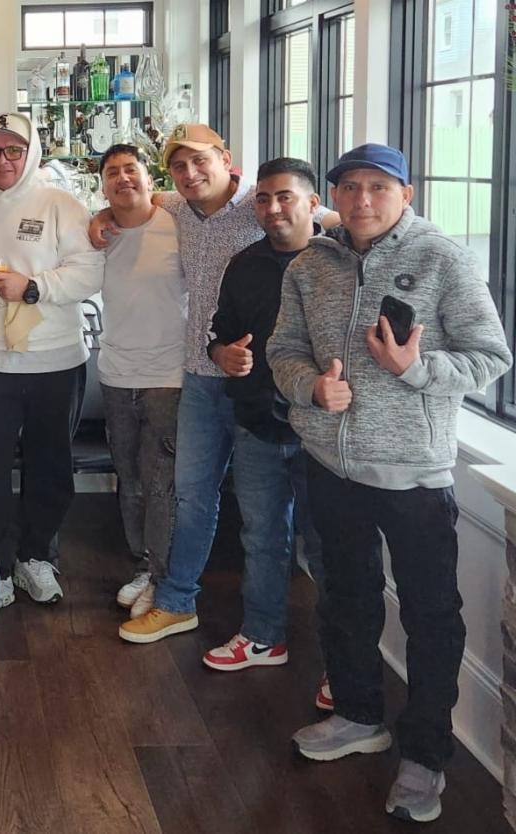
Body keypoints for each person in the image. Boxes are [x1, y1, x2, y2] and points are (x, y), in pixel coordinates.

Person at [268, 144, 511, 823]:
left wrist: (415, 369)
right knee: (344, 600)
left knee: (431, 616)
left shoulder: (443, 258)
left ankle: (426, 756)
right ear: (334, 196)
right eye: (350, 187)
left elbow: (490, 355)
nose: (363, 200)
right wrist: (311, 389)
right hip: (329, 464)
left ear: (406, 193)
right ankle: (357, 715)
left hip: (414, 475)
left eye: (379, 187)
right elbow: (282, 350)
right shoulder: (311, 264)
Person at [108, 125, 333, 643]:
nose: (190, 174)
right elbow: (137, 200)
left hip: (263, 385)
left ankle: (289, 632)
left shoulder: (262, 203)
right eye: (179, 166)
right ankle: (177, 601)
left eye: (199, 161)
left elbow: (325, 218)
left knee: (269, 517)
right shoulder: (175, 209)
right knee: (191, 496)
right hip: (198, 375)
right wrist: (104, 215)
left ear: (225, 159)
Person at [0, 112, 105, 607]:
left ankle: (36, 557)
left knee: (50, 467)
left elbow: (90, 272)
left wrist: (34, 287)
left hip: (55, 362)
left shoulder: (61, 203)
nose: (2, 160)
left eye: (13, 150)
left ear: (32, 153)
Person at [192, 157, 325, 676]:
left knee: (327, 546)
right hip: (257, 423)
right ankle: (264, 635)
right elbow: (220, 331)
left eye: (285, 197)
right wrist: (221, 354)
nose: (272, 208)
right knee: (262, 536)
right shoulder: (244, 264)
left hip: (321, 430)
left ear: (313, 203)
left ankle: (341, 662)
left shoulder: (338, 262)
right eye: (264, 199)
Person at [93, 145, 185, 619]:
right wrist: (96, 220)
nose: (123, 178)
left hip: (167, 377)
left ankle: (162, 577)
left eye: (131, 169)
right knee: (128, 480)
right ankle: (143, 566)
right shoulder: (100, 233)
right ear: (103, 186)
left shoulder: (178, 223)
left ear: (150, 179)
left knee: (159, 482)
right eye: (113, 173)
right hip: (115, 374)